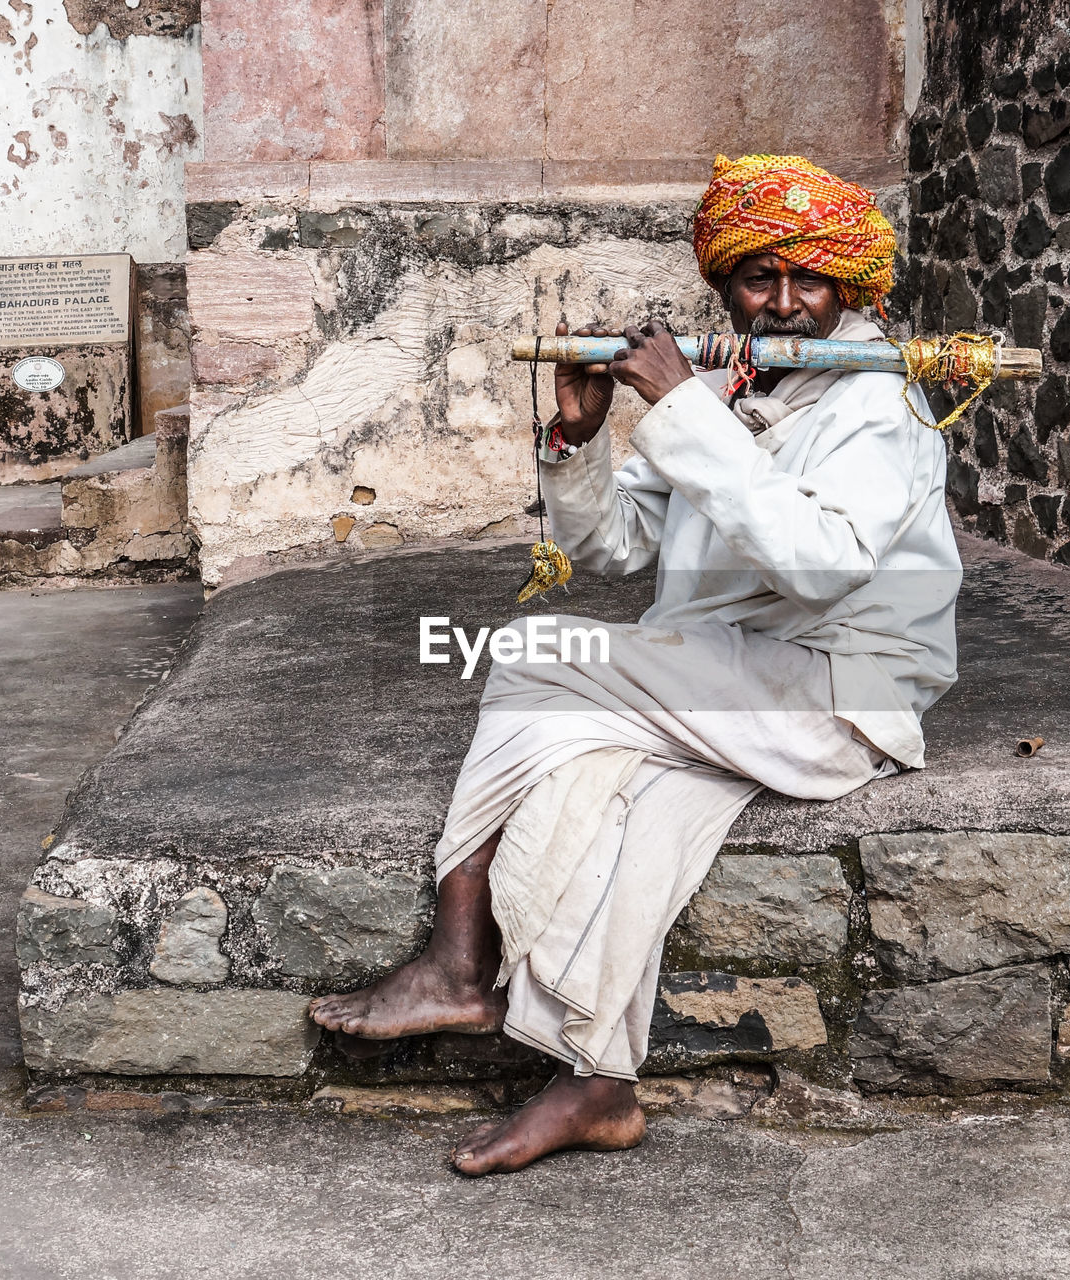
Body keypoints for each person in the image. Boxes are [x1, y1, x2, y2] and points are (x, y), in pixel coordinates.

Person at [311, 153, 963, 1176]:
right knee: (601, 789)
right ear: (724, 286)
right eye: (759, 278)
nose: (784, 302)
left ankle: (457, 955)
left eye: (809, 280)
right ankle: (598, 1081)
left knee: (532, 648)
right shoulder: (726, 383)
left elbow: (820, 565)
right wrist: (580, 440)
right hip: (727, 681)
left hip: (838, 689)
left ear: (847, 287)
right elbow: (615, 545)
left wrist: (683, 410)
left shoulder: (877, 405)